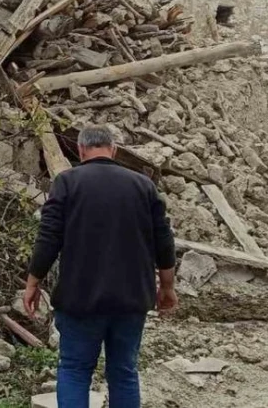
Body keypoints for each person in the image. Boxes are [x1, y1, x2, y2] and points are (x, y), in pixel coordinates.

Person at [24, 126, 177, 408]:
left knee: (74, 370)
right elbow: (164, 241)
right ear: (114, 150)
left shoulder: (67, 183)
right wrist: (167, 287)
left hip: (79, 299)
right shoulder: (143, 186)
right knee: (124, 373)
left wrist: (33, 283)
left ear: (81, 150)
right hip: (131, 300)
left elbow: (48, 237)